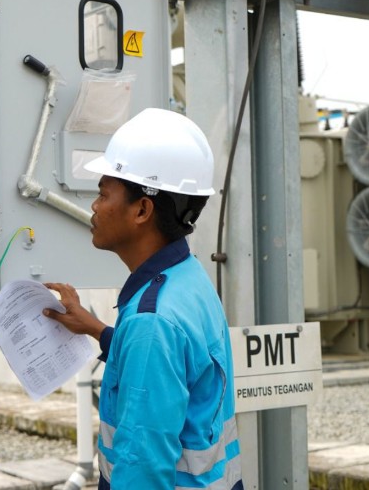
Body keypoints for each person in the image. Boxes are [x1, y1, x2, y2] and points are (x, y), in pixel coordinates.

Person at [43, 108, 243, 490]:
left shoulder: (152, 321)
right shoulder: (187, 278)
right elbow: (174, 364)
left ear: (142, 209)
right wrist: (97, 329)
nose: (94, 206)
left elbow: (142, 471)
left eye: (103, 193)